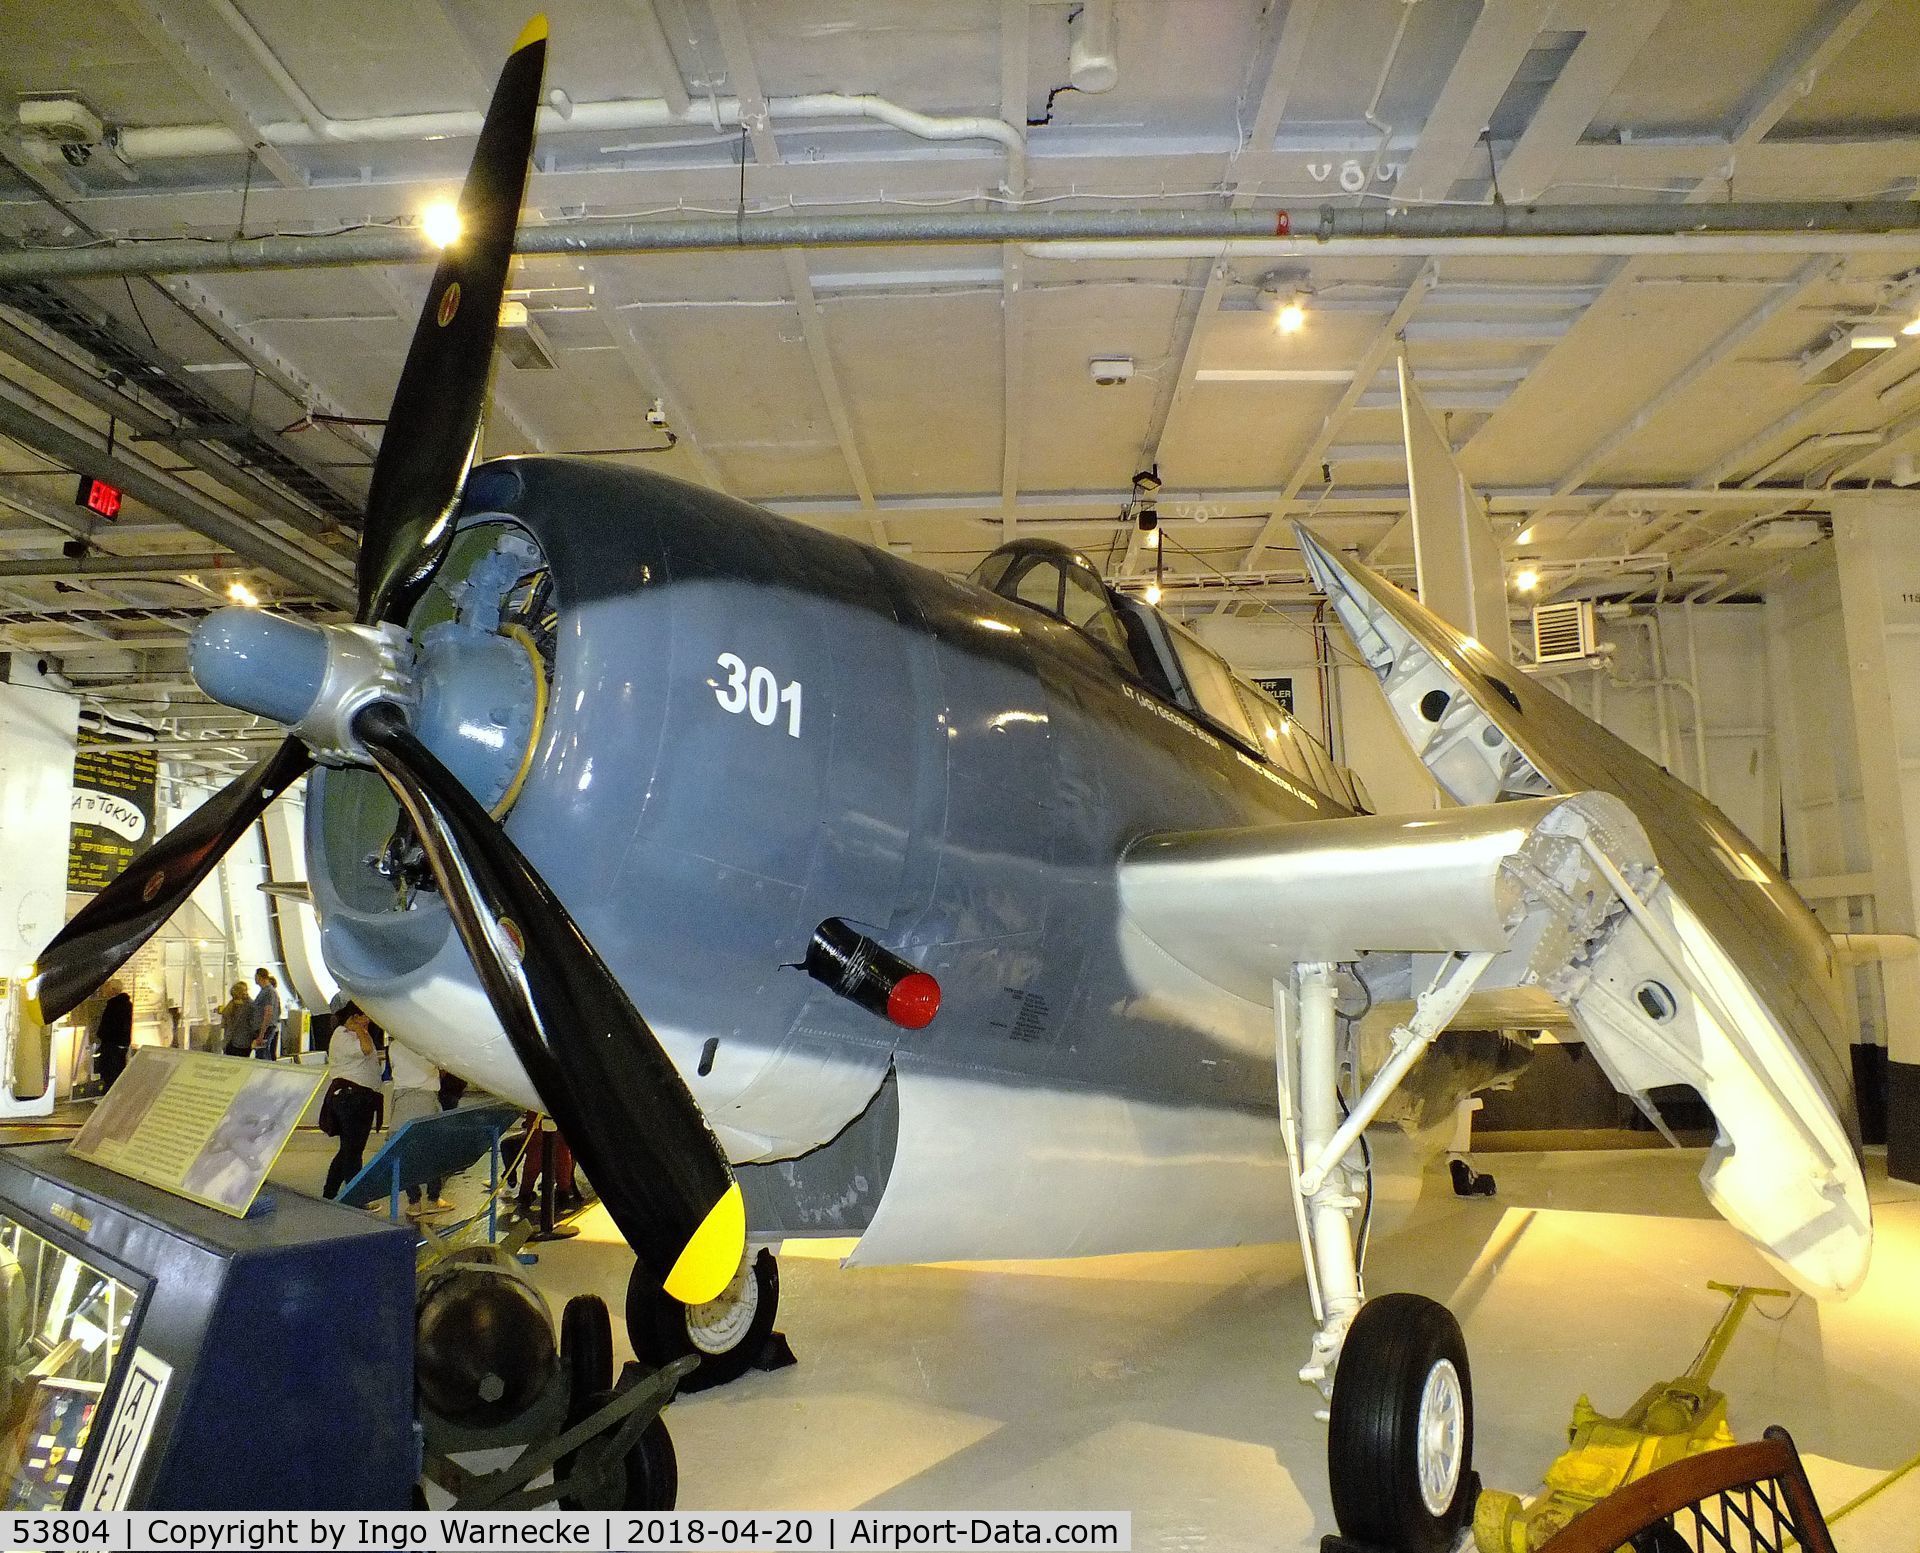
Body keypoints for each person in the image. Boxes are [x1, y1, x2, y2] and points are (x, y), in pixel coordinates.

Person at [321, 1004, 384, 1200]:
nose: (368, 1019)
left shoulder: (354, 1034)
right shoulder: (343, 1035)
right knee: (353, 1152)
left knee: (349, 1149)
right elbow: (365, 1050)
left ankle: (330, 1193)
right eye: (363, 1016)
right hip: (352, 1099)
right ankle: (355, 1198)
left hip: (358, 1098)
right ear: (353, 1017)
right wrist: (358, 1029)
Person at [387, 1039, 452, 1218]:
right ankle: (433, 1199)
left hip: (402, 1099)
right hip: (427, 1100)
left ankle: (414, 1202)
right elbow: (444, 1069)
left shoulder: (394, 1046)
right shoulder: (426, 1043)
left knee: (406, 1154)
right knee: (431, 1152)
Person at [92, 982, 133, 1092]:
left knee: (111, 1071)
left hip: (112, 1043)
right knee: (114, 1070)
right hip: (116, 1043)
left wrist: (102, 1034)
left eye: (107, 989)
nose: (104, 991)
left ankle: (110, 1094)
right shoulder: (122, 1004)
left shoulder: (115, 1005)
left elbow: (111, 1025)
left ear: (112, 990)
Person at [249, 968, 281, 1061]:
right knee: (262, 1052)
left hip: (265, 1028)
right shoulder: (265, 991)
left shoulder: (268, 992)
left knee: (262, 1053)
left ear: (259, 977)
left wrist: (262, 1034)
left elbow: (268, 1012)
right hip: (263, 1028)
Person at [219, 982, 253, 1058]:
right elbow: (225, 1020)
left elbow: (251, 1022)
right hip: (230, 1040)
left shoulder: (249, 1005)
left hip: (242, 1041)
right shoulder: (231, 1004)